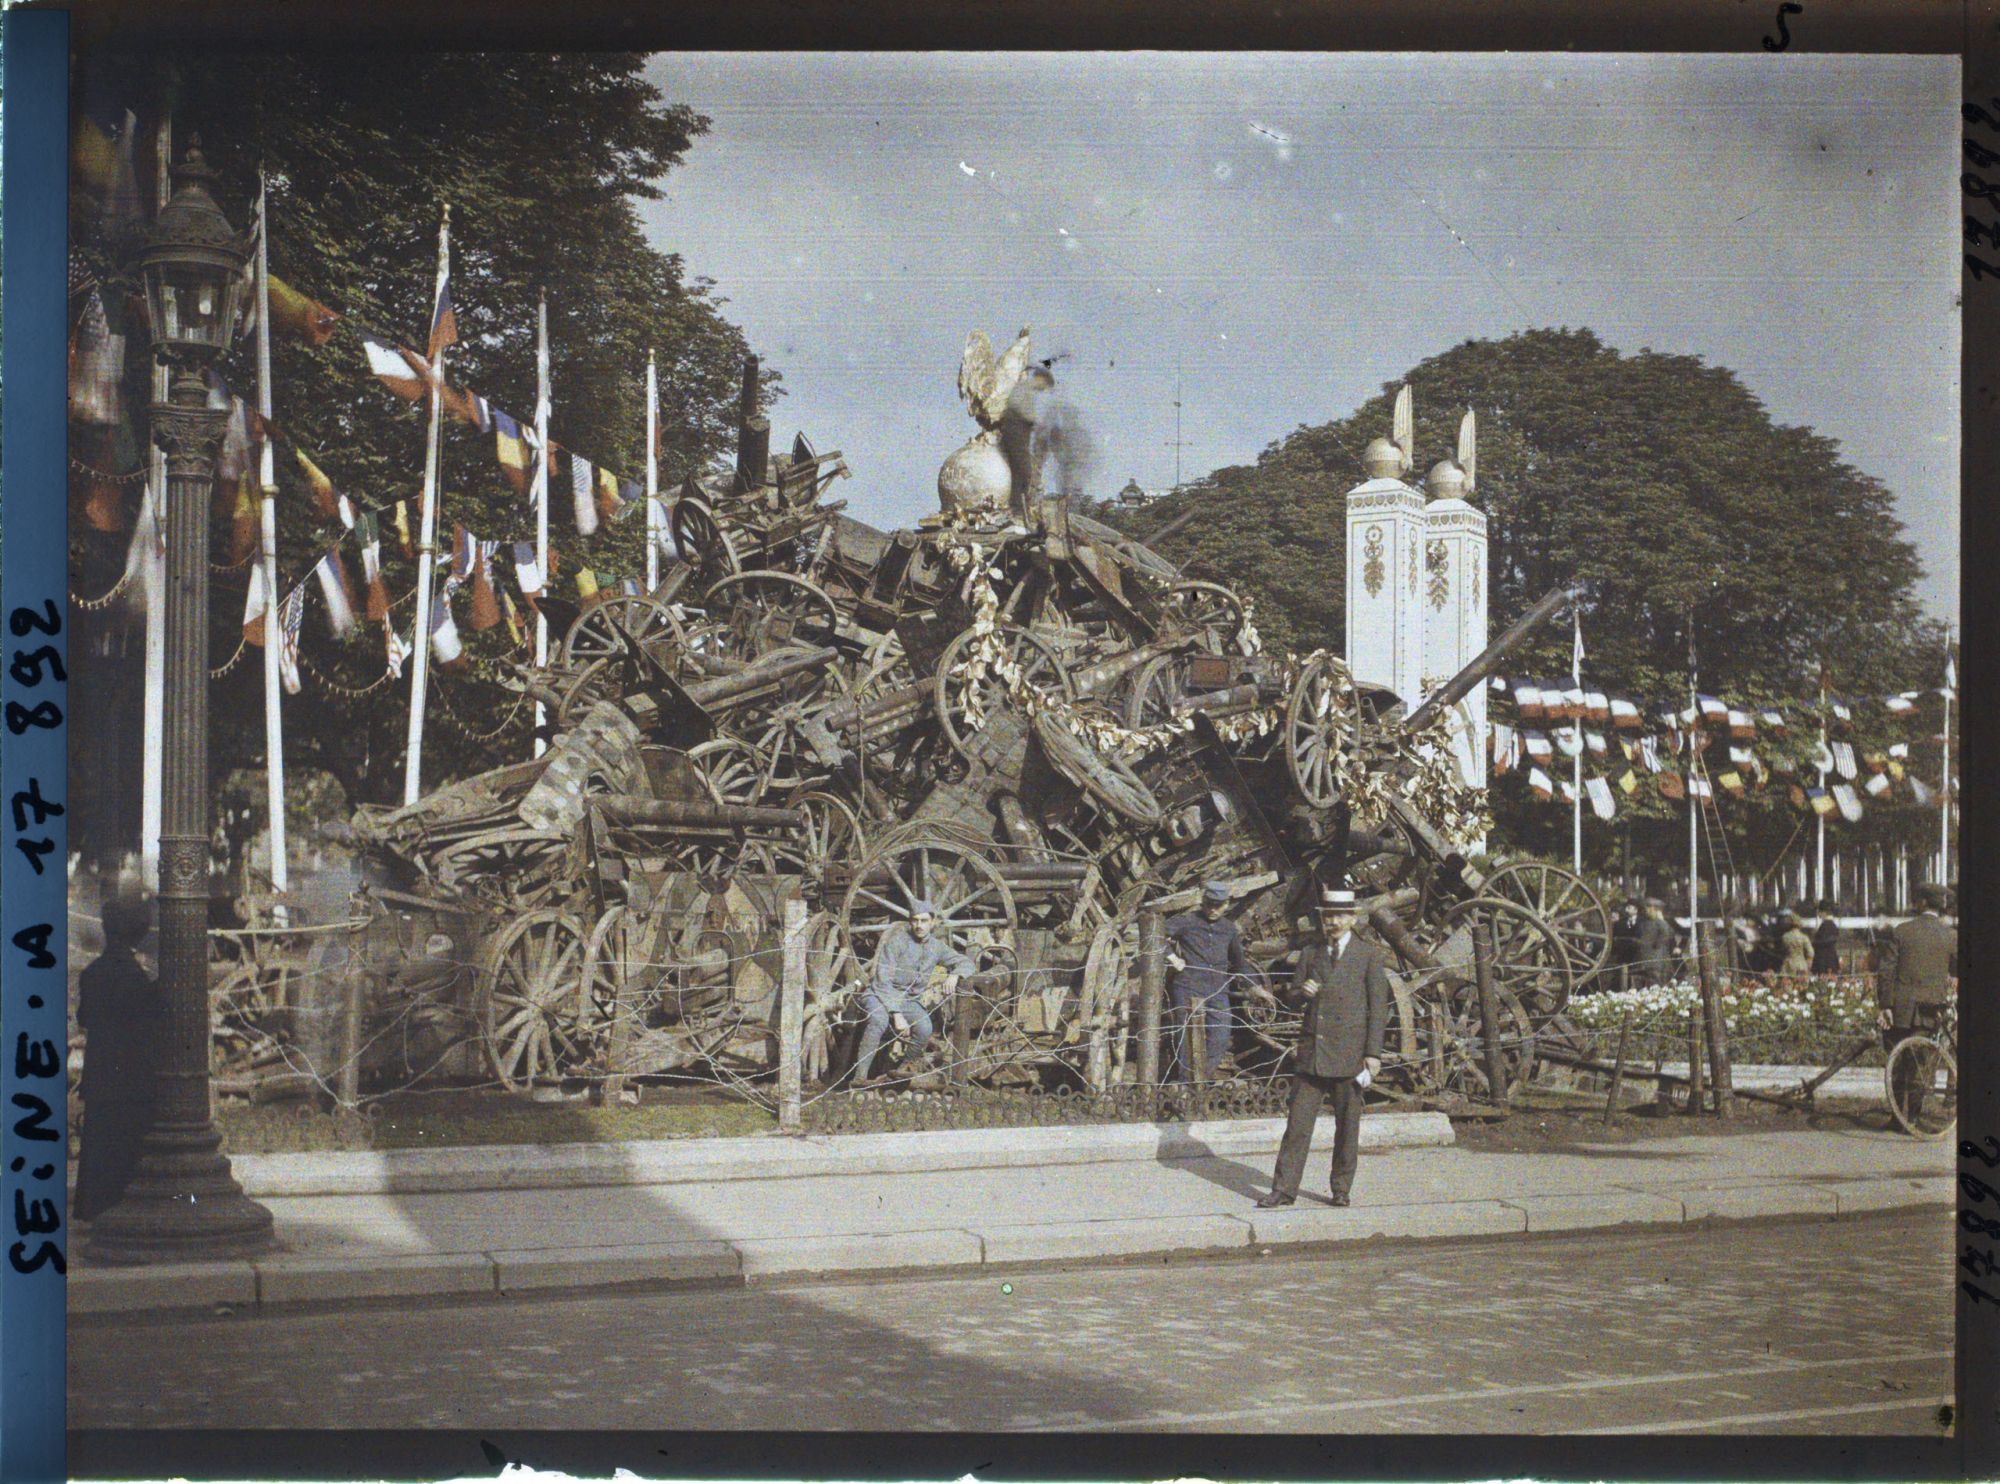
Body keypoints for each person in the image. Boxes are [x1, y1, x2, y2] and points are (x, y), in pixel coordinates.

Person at [1259, 885, 1389, 1209]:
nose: (1333, 922)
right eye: (1328, 916)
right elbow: (1288, 1000)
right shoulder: (1310, 953)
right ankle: (1283, 1189)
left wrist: (1372, 1054)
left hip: (1350, 1055)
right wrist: (1301, 992)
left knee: (1347, 1128)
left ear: (1351, 918)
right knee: (1297, 1126)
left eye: (1339, 916)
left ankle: (1341, 1189)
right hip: (1313, 1054)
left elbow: (1378, 1009)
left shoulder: (1368, 955)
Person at [73, 892, 162, 1222]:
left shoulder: (93, 973)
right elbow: (146, 1018)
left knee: (100, 1147)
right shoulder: (135, 975)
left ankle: (96, 1209)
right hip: (131, 1078)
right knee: (126, 1147)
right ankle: (124, 1212)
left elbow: (84, 1019)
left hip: (101, 1076)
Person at [850, 900, 976, 1088]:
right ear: (910, 922)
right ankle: (859, 1078)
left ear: (932, 922)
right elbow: (882, 981)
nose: (919, 925)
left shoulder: (937, 947)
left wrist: (955, 975)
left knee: (924, 1028)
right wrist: (897, 1015)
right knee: (879, 1020)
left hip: (908, 1001)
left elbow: (967, 962)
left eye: (924, 921)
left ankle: (902, 1069)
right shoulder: (896, 943)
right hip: (879, 994)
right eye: (915, 921)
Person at [1164, 881, 1254, 1082]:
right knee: (1185, 1038)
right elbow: (1155, 934)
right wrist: (1172, 958)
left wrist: (1255, 988)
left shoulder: (1229, 929)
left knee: (1221, 1035)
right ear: (1203, 902)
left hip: (1217, 991)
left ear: (1227, 904)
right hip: (1187, 986)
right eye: (1209, 904)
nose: (1213, 910)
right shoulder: (1187, 921)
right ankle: (1185, 1084)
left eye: (1218, 905)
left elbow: (1240, 962)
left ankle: (1201, 1079)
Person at [1882, 884, 1956, 1072]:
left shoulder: (1902, 931)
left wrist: (1885, 1005)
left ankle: (1896, 1100)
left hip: (1901, 1009)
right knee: (1920, 1063)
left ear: (1922, 902)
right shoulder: (1949, 935)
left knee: (1897, 1062)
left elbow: (1886, 970)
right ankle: (1916, 1102)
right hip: (1931, 1009)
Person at [1633, 898, 1676, 988]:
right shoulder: (1642, 923)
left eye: (1649, 907)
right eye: (1646, 907)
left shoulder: (1660, 923)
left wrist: (1657, 943)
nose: (1647, 910)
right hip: (1642, 959)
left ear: (1656, 909)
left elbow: (1667, 934)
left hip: (1656, 959)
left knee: (1656, 983)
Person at [1609, 901, 1642, 992]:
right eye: (1626, 907)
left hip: (1638, 957)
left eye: (1629, 907)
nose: (1627, 909)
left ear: (1636, 910)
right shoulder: (1620, 923)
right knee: (1623, 980)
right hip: (1623, 956)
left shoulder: (1643, 922)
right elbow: (1615, 939)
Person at [1779, 911, 1814, 987]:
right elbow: (1811, 952)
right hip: (1801, 963)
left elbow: (1783, 950)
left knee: (1788, 986)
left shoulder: (1785, 937)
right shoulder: (1804, 937)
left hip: (1788, 963)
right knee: (1801, 985)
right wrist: (1808, 962)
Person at [1812, 900, 1843, 976]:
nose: (1818, 913)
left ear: (1824, 912)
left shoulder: (1826, 925)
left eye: (1819, 911)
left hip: (1824, 962)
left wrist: (1813, 942)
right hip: (1830, 960)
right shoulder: (1831, 925)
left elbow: (1824, 942)